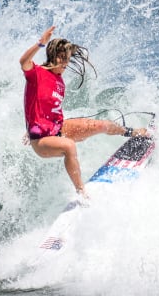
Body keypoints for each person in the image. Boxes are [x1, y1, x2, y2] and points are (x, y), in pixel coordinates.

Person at [20, 26, 148, 197]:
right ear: (53, 56)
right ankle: (81, 193)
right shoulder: (36, 73)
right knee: (69, 146)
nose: (65, 63)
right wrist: (40, 43)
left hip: (57, 129)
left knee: (100, 125)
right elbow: (23, 62)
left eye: (67, 59)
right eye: (62, 58)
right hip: (41, 140)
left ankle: (132, 132)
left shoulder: (59, 81)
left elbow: (45, 109)